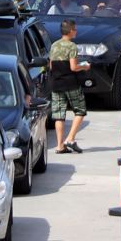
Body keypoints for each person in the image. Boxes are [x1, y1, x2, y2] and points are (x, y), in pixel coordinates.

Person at [49, 19, 89, 153]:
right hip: (70, 83)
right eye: (75, 29)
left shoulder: (54, 45)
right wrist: (84, 66)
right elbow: (73, 67)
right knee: (80, 110)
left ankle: (60, 145)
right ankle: (70, 138)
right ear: (71, 31)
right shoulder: (72, 46)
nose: (76, 31)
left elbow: (50, 66)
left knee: (59, 115)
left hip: (56, 83)